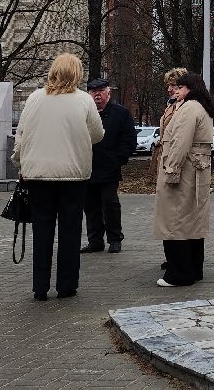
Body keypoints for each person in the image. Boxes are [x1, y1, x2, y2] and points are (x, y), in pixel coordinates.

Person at [12, 53, 104, 301]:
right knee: (70, 230)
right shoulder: (84, 100)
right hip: (73, 175)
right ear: (77, 73)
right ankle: (66, 285)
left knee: (42, 230)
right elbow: (97, 134)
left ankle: (40, 286)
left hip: (38, 175)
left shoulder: (34, 98)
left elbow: (22, 134)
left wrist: (20, 162)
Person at [153, 70, 214, 287]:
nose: (176, 91)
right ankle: (194, 269)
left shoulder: (189, 109)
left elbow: (179, 143)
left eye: (180, 87)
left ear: (191, 88)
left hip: (183, 173)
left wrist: (171, 171)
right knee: (192, 223)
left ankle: (179, 274)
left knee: (175, 222)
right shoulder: (202, 107)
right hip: (195, 172)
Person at [81, 76, 138, 254]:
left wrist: (118, 159)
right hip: (87, 167)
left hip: (109, 168)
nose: (97, 95)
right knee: (90, 206)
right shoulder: (83, 112)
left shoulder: (120, 113)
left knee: (110, 204)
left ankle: (115, 239)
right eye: (93, 91)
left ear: (108, 93)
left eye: (100, 91)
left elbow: (129, 139)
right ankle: (95, 241)